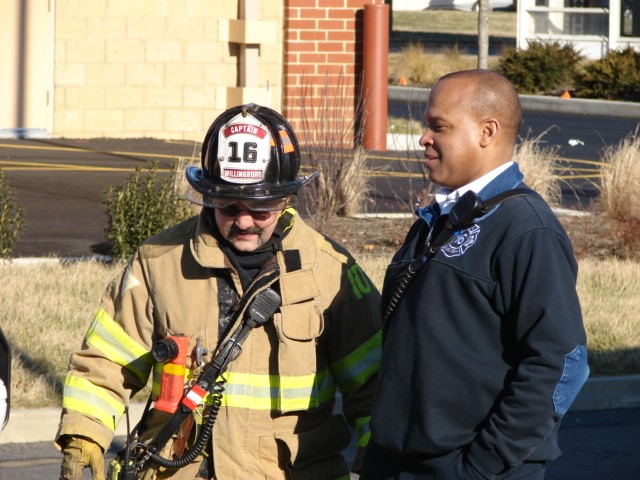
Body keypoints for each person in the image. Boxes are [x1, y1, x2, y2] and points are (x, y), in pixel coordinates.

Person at [56, 104, 382, 480]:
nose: (243, 220)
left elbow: (375, 383)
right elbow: (106, 362)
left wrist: (380, 460)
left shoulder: (329, 270)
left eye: (260, 207)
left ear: (285, 198)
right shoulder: (160, 262)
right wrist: (84, 434)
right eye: (227, 205)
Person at [360, 70, 589, 480]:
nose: (423, 139)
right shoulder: (439, 220)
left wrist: (480, 466)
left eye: (438, 127)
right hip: (395, 462)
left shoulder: (526, 229)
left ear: (487, 131)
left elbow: (561, 363)